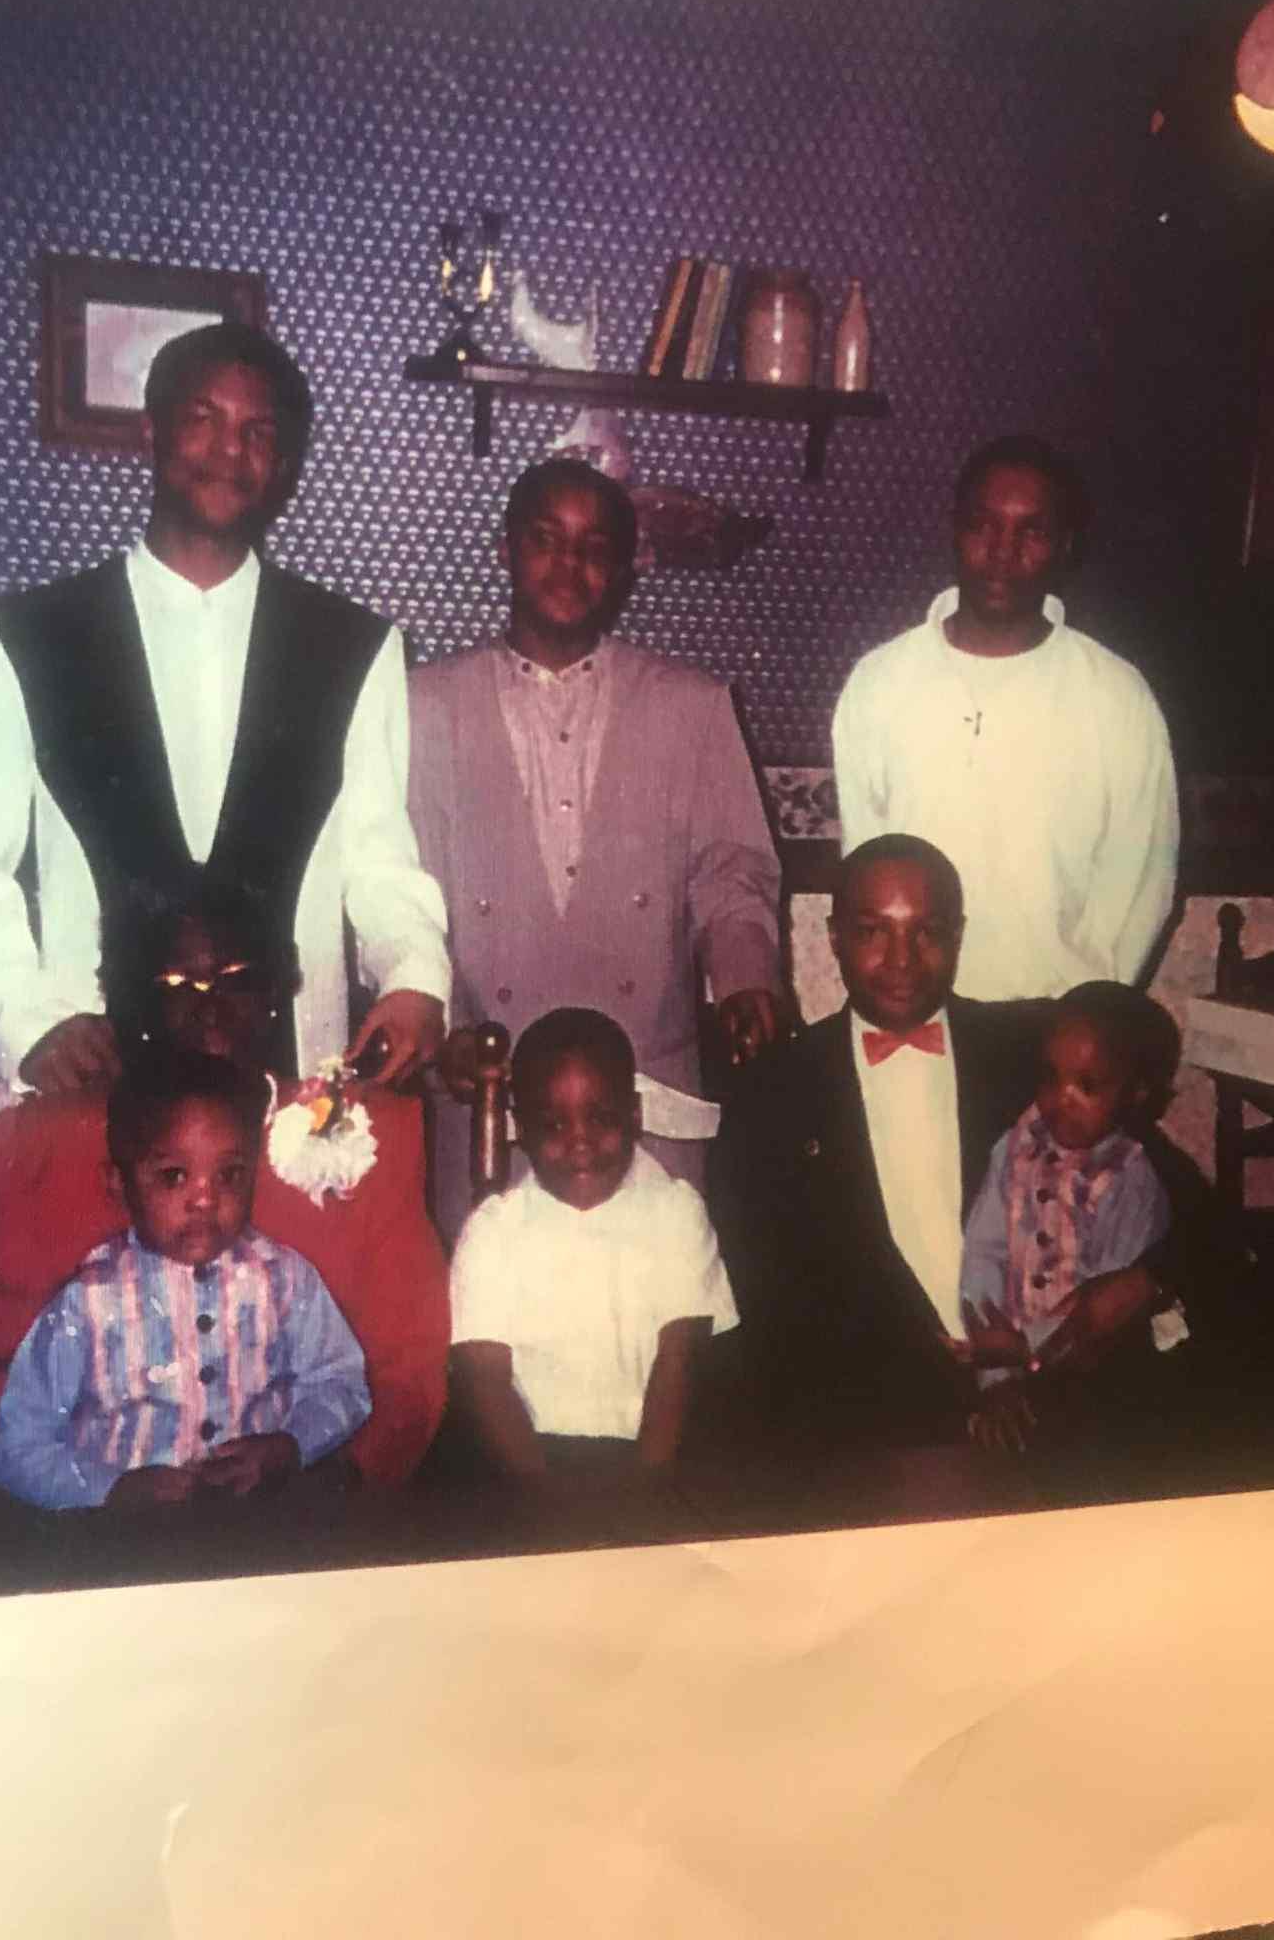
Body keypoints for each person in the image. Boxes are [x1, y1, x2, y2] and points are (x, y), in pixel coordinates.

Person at [0, 321, 449, 1094]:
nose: (229, 451)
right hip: (94, 1074)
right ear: (152, 430)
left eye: (257, 432)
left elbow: (379, 864)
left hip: (292, 1091)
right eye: (203, 419)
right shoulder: (29, 634)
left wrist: (414, 976)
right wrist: (23, 1020)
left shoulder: (354, 645)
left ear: (282, 461)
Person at [0, 874, 450, 1509]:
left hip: (300, 1511)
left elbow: (394, 1385)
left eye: (237, 978)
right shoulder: (54, 1154)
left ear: (276, 989)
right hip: (111, 1529)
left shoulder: (354, 1149)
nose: (208, 1007)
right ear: (135, 998)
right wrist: (102, 1495)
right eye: (175, 983)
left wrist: (305, 1473)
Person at [408, 457, 783, 1237]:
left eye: (593, 548)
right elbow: (407, 898)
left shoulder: (692, 704)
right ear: (506, 549)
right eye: (546, 540)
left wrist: (745, 978)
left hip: (646, 1097)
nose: (568, 565)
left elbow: (732, 872)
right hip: (491, 1095)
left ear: (622, 567)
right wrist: (444, 1035)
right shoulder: (425, 705)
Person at [708, 835, 1042, 1453]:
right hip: (870, 1426)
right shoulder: (773, 1092)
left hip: (1041, 1399)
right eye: (872, 932)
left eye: (926, 931)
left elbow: (1174, 1198)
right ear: (834, 938)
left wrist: (1138, 1286)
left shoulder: (1028, 1053)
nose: (901, 960)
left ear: (958, 935)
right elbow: (768, 1301)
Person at [831, 434, 1179, 1002]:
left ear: (1065, 548)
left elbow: (1143, 885)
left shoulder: (1116, 697)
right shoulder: (880, 683)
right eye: (983, 526)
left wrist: (1088, 1013)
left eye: (1031, 532)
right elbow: (865, 870)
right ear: (954, 530)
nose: (1002, 552)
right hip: (914, 1014)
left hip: (1056, 1021)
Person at [0, 1049, 372, 1513]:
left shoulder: (285, 1279)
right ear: (119, 1184)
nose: (205, 1200)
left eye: (229, 1174)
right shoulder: (86, 1303)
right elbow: (19, 1445)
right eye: (174, 1177)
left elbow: (341, 1382)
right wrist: (109, 1490)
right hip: (128, 1531)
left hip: (261, 1513)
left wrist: (290, 1446)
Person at [448, 1007, 737, 1484]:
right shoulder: (493, 1231)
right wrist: (546, 1501)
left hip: (657, 1458)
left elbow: (679, 1360)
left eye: (601, 1118)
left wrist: (643, 1497)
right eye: (554, 1125)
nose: (580, 1143)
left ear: (635, 1113)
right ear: (521, 1128)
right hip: (526, 1466)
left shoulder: (675, 1213)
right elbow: (486, 1382)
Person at [953, 981, 1188, 1451]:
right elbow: (983, 1250)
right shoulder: (1013, 1148)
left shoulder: (1132, 1178)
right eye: (1049, 1077)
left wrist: (1023, 1348)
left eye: (1087, 1086)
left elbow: (1103, 1309)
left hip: (1098, 1368)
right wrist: (994, 1364)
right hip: (1009, 1356)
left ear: (1136, 1093)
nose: (1062, 1099)